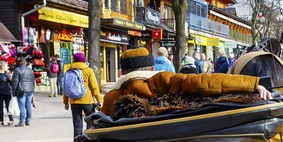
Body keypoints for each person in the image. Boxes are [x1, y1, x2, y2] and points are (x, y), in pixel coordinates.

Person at [101, 47, 272, 116]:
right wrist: (252, 84)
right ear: (151, 68)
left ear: (122, 72)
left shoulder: (111, 98)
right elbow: (203, 82)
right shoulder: (160, 81)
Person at [63, 53, 102, 142]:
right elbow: (94, 87)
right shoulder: (88, 70)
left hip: (73, 101)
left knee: (77, 124)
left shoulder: (69, 71)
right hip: (87, 101)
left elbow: (66, 88)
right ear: (84, 60)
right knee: (90, 123)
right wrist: (99, 99)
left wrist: (66, 102)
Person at [11, 56, 35, 127]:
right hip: (30, 89)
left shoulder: (17, 70)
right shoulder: (30, 70)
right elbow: (33, 81)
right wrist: (33, 90)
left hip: (21, 90)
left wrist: (14, 92)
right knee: (28, 106)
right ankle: (28, 120)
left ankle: (22, 121)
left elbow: (15, 82)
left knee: (21, 106)